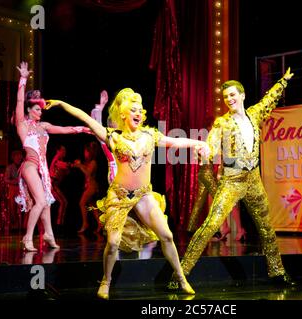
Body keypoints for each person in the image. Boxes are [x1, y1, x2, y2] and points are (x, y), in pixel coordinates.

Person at [45, 88, 210, 299]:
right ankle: (106, 280)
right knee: (113, 243)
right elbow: (84, 116)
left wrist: (199, 143)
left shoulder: (150, 135)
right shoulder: (112, 136)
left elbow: (175, 141)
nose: (138, 113)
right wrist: (60, 103)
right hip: (119, 195)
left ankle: (181, 278)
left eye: (140, 110)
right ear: (123, 114)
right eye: (133, 110)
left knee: (167, 236)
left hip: (143, 195)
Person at [179, 68, 295, 287]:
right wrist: (205, 152)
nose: (229, 99)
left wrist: (283, 81)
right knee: (211, 225)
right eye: (225, 97)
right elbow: (211, 146)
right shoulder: (222, 123)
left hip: (253, 179)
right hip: (232, 180)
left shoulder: (254, 113)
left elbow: (270, 99)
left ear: (242, 95)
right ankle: (181, 272)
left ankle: (278, 272)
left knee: (266, 228)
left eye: (232, 95)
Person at [14, 61, 92, 252]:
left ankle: (48, 234)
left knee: (46, 200)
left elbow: (65, 130)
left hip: (41, 167)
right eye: (38, 109)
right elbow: (19, 102)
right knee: (40, 201)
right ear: (29, 110)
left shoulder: (44, 126)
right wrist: (23, 79)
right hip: (29, 166)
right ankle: (27, 238)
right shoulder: (22, 125)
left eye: (41, 108)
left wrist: (84, 128)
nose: (41, 111)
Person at [186, 163, 246, 241]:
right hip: (219, 171)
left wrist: (220, 171)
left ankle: (239, 229)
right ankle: (226, 227)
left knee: (227, 199)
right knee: (220, 200)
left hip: (226, 171)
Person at [72, 141, 101, 233]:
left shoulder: (93, 162)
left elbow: (88, 173)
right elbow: (84, 168)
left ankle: (85, 224)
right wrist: (76, 165)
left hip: (92, 186)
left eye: (86, 151)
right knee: (92, 205)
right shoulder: (88, 162)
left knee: (82, 203)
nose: (85, 153)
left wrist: (80, 165)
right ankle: (100, 223)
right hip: (89, 186)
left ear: (90, 152)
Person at [91, 89, 118, 184]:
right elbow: (96, 126)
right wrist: (101, 107)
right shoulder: (108, 140)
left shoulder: (125, 138)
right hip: (116, 179)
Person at [49, 144, 71, 226]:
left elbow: (66, 171)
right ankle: (59, 224)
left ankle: (59, 223)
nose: (64, 152)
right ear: (58, 151)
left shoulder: (59, 160)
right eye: (62, 150)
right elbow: (63, 165)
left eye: (65, 150)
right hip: (52, 185)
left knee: (63, 202)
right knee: (63, 202)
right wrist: (71, 165)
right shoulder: (56, 159)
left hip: (55, 185)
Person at [4, 149, 24, 231]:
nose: (19, 158)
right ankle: (14, 225)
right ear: (13, 158)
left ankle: (22, 225)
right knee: (13, 207)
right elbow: (6, 179)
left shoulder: (23, 166)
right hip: (13, 188)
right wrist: (14, 181)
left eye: (20, 156)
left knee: (22, 207)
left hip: (22, 189)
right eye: (17, 156)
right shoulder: (10, 167)